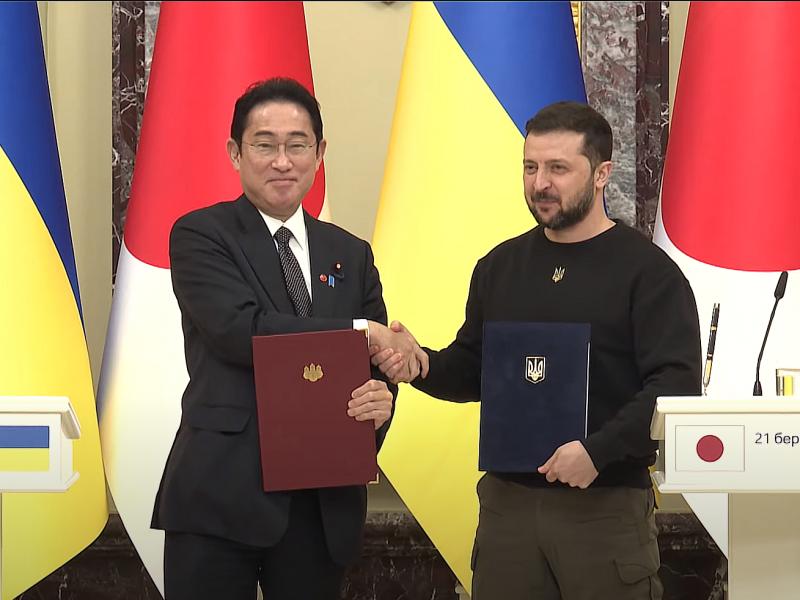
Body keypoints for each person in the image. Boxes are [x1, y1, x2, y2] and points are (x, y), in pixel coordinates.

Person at [372, 101, 702, 600]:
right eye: (530, 167)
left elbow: (675, 385)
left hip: (605, 505)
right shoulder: (500, 267)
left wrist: (597, 452)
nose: (540, 183)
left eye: (558, 169)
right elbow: (474, 369)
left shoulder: (649, 273)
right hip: (509, 509)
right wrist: (419, 363)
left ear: (601, 174)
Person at [151, 77, 420, 600]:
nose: (282, 161)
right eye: (264, 144)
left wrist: (381, 401)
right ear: (235, 153)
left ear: (319, 153)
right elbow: (241, 332)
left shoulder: (351, 253)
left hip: (321, 506)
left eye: (297, 145)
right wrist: (360, 332)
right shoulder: (201, 234)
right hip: (221, 496)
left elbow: (375, 368)